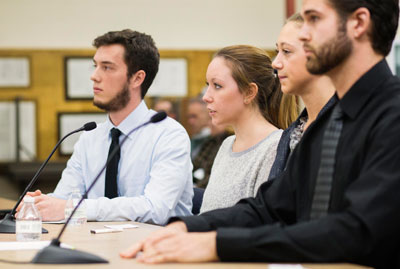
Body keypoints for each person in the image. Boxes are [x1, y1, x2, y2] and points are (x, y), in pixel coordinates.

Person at [120, 0, 400, 268]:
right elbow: (269, 207)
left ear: (359, 23)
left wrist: (217, 245)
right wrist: (186, 227)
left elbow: (357, 232)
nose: (304, 33)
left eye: (314, 19)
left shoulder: (392, 115)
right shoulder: (328, 122)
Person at [20, 29, 193, 225]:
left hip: (155, 248)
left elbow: (155, 209)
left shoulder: (169, 134)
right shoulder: (90, 137)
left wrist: (75, 207)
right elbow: (63, 199)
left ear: (137, 78)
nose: (94, 76)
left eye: (107, 67)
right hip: (97, 245)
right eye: (95, 66)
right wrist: (39, 204)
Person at [199, 45, 298, 213]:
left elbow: (259, 224)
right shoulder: (227, 144)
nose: (206, 97)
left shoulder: (275, 148)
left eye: (217, 86)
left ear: (249, 92)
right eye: (208, 84)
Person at [268, 13, 336, 180]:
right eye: (278, 51)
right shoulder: (291, 133)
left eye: (286, 51)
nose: (275, 63)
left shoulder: (346, 129)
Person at [192, 123, 231, 188]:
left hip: (212, 187)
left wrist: (197, 187)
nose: (211, 124)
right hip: (199, 183)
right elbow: (195, 164)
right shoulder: (210, 141)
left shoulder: (229, 143)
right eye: (210, 119)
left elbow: (217, 175)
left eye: (217, 121)